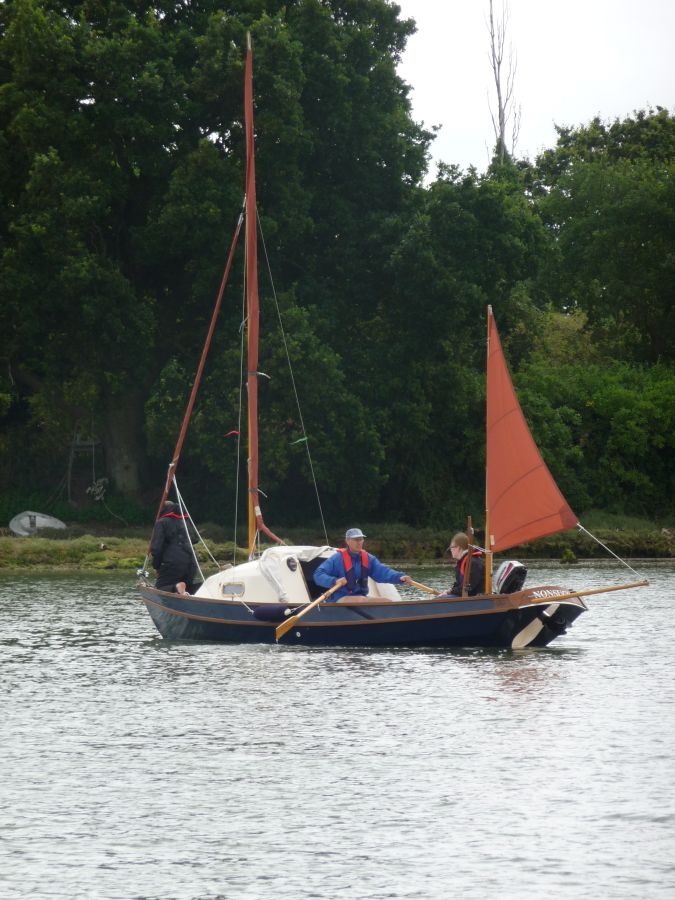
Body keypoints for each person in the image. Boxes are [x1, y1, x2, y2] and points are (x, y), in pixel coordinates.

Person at [313, 527, 413, 602]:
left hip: (361, 597)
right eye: (356, 540)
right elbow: (318, 575)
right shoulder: (337, 559)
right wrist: (334, 581)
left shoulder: (368, 558)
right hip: (339, 597)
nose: (359, 542)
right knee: (360, 600)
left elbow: (384, 572)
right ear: (347, 541)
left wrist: (400, 577)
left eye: (361, 539)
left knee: (387, 602)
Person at [150, 500, 198, 595]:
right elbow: (194, 539)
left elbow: (156, 549)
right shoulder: (186, 521)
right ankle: (202, 587)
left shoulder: (162, 522)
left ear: (162, 510)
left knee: (161, 588)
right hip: (192, 561)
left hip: (173, 562)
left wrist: (156, 566)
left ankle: (176, 587)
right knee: (187, 588)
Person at [447, 532, 485, 596]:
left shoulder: (473, 563)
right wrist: (449, 591)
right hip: (465, 596)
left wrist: (450, 592)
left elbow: (468, 588)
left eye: (451, 547)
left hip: (475, 598)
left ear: (458, 548)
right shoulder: (462, 562)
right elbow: (459, 584)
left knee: (439, 600)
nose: (450, 550)